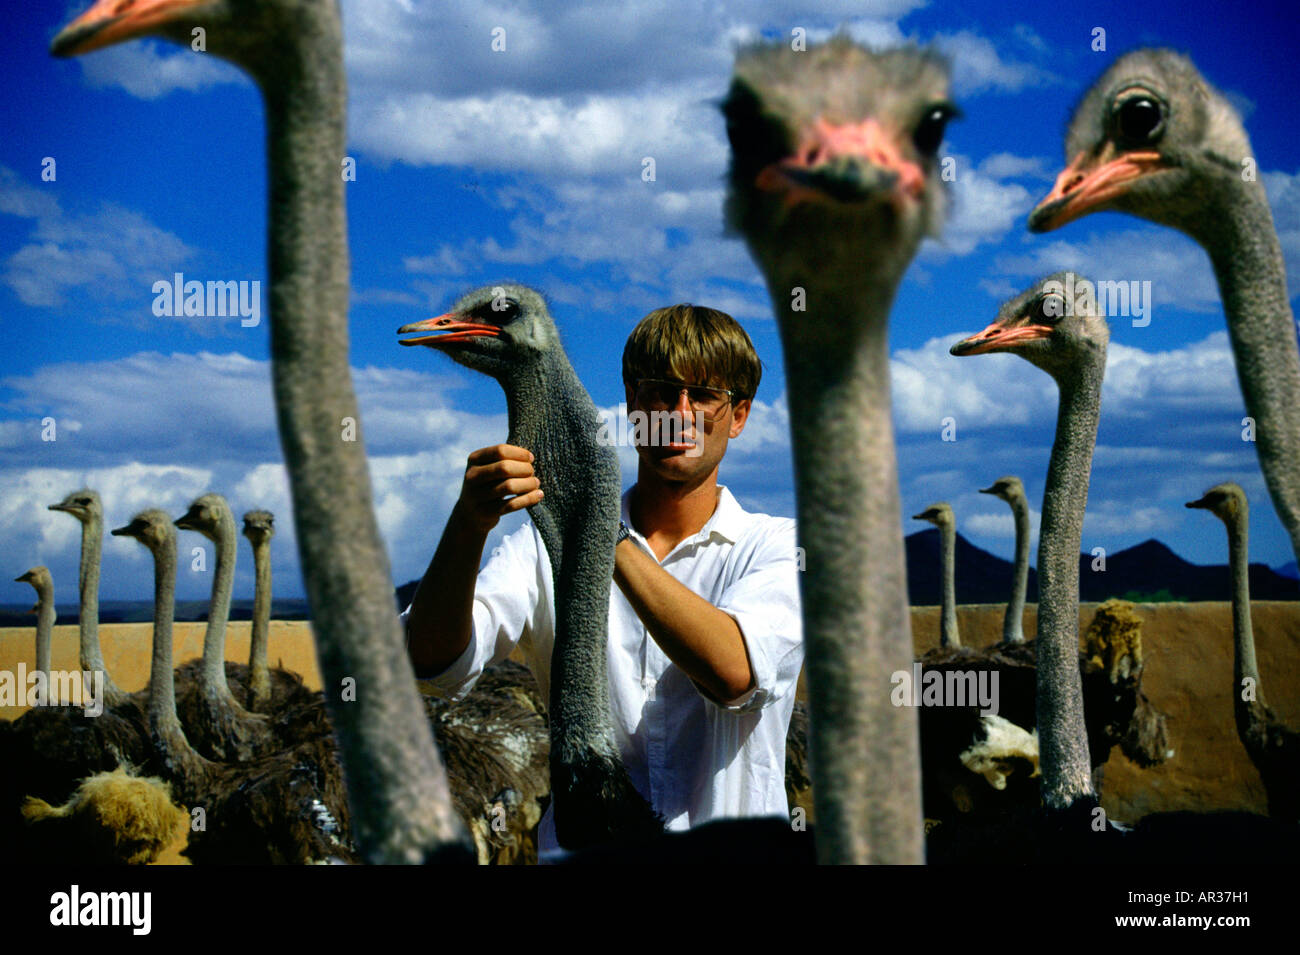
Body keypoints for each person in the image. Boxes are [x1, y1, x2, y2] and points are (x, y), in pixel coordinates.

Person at [403, 303, 803, 854]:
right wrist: (469, 522)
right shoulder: (539, 551)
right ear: (633, 403)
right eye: (661, 392)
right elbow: (433, 665)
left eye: (705, 396)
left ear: (738, 416)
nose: (679, 413)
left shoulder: (780, 547)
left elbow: (735, 671)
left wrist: (594, 524)